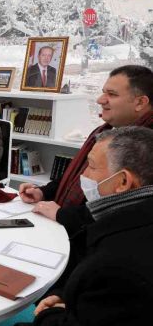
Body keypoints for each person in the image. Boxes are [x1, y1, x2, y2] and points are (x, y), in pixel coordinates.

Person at [27, 127, 153, 326]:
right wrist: (68, 295)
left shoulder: (117, 264)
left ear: (122, 181)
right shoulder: (129, 222)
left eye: (91, 167)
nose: (83, 175)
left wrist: (49, 315)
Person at [19, 65, 153, 235]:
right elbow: (77, 175)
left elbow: (129, 210)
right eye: (103, 92)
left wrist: (64, 215)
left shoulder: (146, 147)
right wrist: (43, 192)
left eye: (112, 94)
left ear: (140, 102)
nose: (100, 100)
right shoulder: (104, 131)